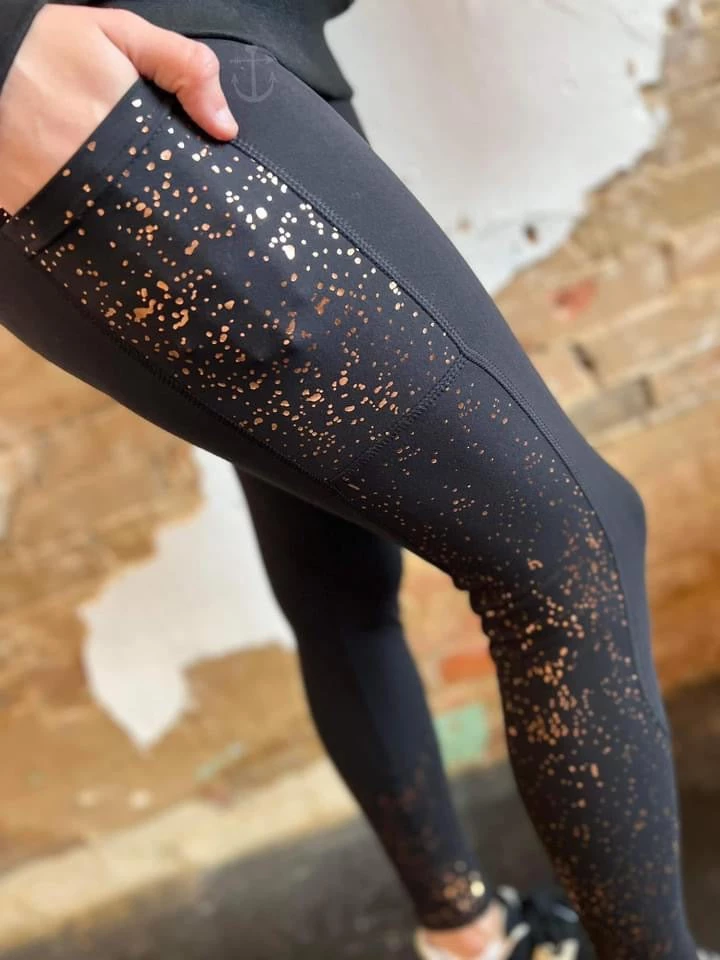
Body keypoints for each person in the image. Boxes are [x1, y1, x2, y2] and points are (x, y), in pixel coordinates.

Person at [0, 3, 714, 960]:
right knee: (570, 543)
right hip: (135, 91)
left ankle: (469, 939)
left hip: (240, 63)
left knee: (340, 571)